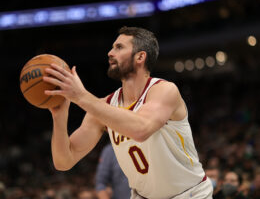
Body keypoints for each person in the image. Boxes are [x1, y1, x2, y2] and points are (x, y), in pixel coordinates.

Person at [43, 26, 213, 199]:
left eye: (119, 47)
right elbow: (64, 161)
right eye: (112, 47)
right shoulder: (103, 107)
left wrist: (81, 96)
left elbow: (141, 130)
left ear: (140, 57)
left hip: (190, 194)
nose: (110, 52)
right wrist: (59, 116)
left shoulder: (164, 90)